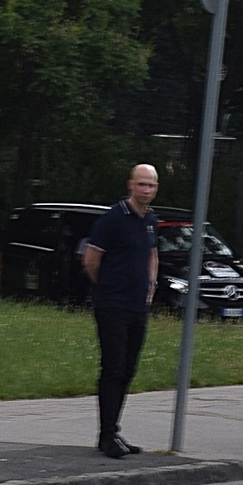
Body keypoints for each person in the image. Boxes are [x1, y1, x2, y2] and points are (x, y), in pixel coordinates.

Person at [80, 163, 158, 458]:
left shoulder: (150, 220)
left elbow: (152, 253)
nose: (146, 190)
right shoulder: (113, 219)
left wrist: (151, 283)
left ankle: (115, 429)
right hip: (112, 305)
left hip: (138, 306)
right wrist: (108, 287)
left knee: (128, 369)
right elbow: (91, 260)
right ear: (130, 185)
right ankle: (106, 436)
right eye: (141, 184)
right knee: (112, 368)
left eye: (150, 185)